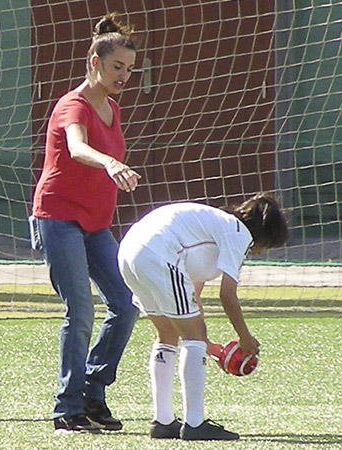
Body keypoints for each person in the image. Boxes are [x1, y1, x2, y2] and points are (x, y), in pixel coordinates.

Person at [29, 12, 142, 434]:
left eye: (130, 69)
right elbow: (76, 147)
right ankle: (67, 408)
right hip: (58, 219)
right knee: (80, 311)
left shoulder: (112, 107)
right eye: (118, 67)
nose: (124, 75)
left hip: (96, 224)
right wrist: (111, 162)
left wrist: (114, 168)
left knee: (126, 304)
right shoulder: (71, 105)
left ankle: (93, 391)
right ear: (95, 61)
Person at [117, 193, 289, 441]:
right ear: (263, 234)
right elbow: (227, 296)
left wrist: (211, 348)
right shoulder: (239, 233)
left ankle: (163, 421)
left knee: (168, 335)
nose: (260, 253)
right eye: (266, 246)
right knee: (193, 337)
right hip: (158, 253)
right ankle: (195, 424)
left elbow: (192, 298)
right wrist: (245, 338)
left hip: (129, 252)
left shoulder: (211, 227)